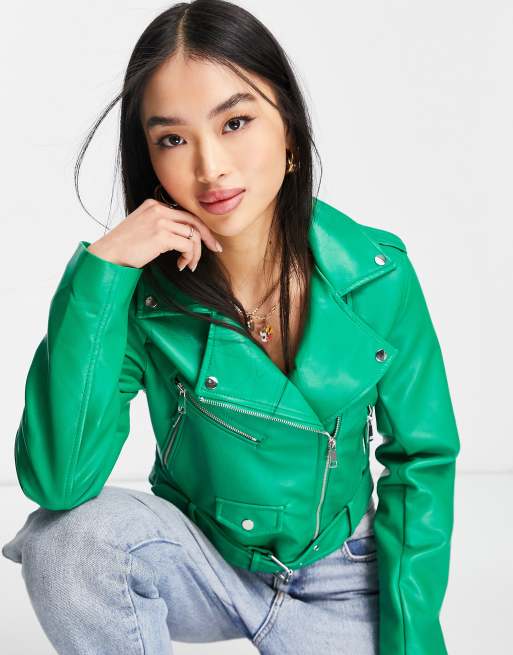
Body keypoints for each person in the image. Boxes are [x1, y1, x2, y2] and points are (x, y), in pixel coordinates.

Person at [1, 1, 461, 654]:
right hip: (201, 565)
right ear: (150, 160)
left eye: (235, 122)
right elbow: (59, 482)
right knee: (66, 539)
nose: (210, 166)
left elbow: (421, 459)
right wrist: (100, 274)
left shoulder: (377, 276)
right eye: (172, 139)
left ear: (289, 130)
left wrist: (411, 639)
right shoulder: (138, 298)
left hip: (341, 574)